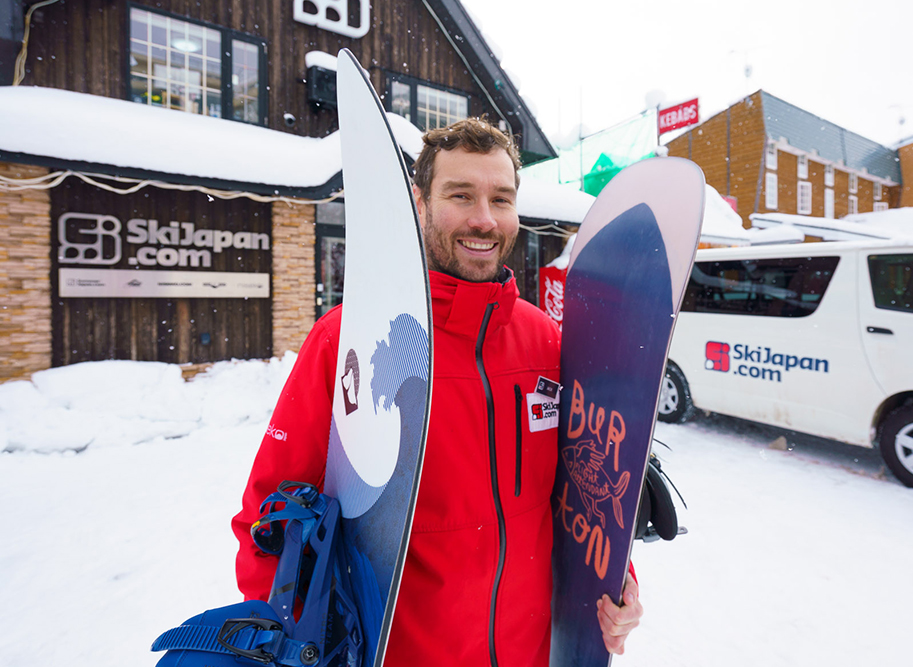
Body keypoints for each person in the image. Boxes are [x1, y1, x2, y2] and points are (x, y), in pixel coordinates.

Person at [232, 117, 642, 666]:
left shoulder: (545, 340)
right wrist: (285, 636)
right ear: (420, 206)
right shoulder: (351, 338)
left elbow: (581, 497)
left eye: (501, 198)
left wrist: (617, 576)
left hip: (528, 651)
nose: (484, 219)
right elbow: (269, 515)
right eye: (461, 195)